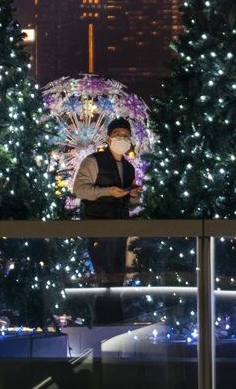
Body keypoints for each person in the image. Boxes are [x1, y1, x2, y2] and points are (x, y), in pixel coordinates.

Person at [72, 118, 140, 324]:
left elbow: (127, 201)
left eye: (125, 135)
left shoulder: (129, 169)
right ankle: (100, 320)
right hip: (99, 226)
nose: (122, 138)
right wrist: (107, 191)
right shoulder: (94, 161)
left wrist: (133, 196)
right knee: (103, 274)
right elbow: (79, 189)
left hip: (120, 228)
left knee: (117, 274)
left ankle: (113, 319)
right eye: (118, 134)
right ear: (108, 137)